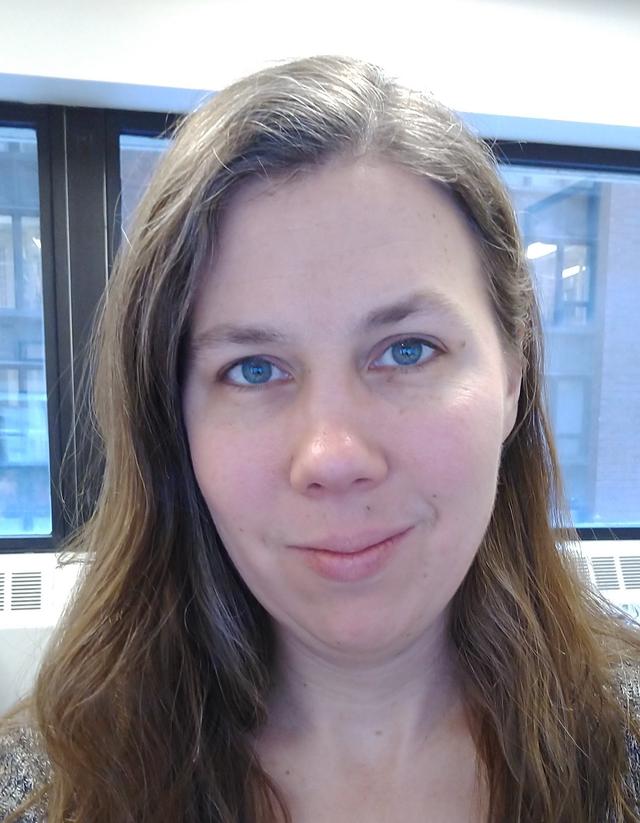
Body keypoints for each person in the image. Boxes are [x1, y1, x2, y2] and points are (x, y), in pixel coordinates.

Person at [1, 54, 640, 823]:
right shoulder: (47, 793)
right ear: (174, 421)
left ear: (512, 373)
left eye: (407, 349)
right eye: (254, 367)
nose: (334, 455)